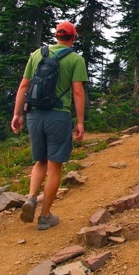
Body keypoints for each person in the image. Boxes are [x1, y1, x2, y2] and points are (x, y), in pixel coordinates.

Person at [11, 21, 88, 231]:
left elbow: (24, 85)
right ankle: (45, 216)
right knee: (55, 166)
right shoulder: (75, 59)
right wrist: (80, 121)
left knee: (40, 161)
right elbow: (78, 91)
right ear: (72, 38)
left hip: (34, 115)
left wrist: (17, 114)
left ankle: (31, 197)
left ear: (56, 36)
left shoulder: (37, 54)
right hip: (58, 116)